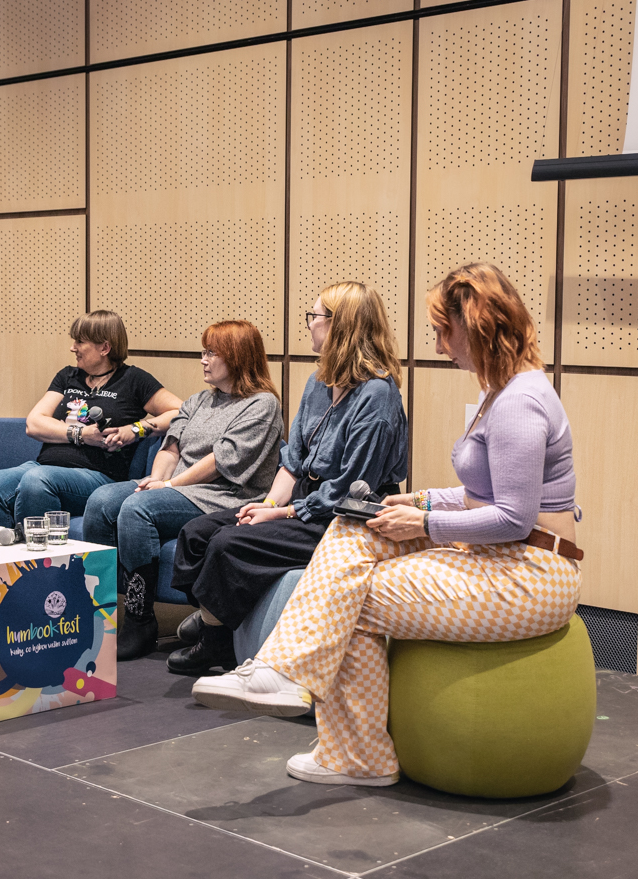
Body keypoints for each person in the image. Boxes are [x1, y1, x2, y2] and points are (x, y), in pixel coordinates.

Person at [192, 263, 583, 787]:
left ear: (477, 326)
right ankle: (296, 687)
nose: (439, 345)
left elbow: (513, 519)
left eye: (444, 330)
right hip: (501, 557)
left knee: (347, 595)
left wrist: (424, 521)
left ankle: (338, 732)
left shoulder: (519, 401)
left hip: (530, 574)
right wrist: (418, 501)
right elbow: (481, 496)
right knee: (354, 531)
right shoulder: (505, 391)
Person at [168, 282, 409, 676]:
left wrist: (282, 515)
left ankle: (216, 641)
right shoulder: (318, 383)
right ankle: (216, 614)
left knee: (228, 543)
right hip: (303, 501)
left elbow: (350, 488)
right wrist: (266, 506)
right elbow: (293, 459)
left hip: (343, 516)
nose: (309, 324)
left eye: (315, 316)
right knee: (196, 533)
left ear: (340, 325)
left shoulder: (377, 395)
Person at [83, 321, 285, 662]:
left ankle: (140, 620)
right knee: (101, 502)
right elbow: (171, 447)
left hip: (222, 495)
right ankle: (102, 613)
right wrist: (154, 481)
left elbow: (222, 462)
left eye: (211, 353)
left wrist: (167, 486)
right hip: (176, 487)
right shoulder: (198, 400)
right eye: (203, 352)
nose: (203, 360)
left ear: (237, 357)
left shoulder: (261, 404)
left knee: (137, 509)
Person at [0, 310, 183, 529]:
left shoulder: (133, 380)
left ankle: (35, 549)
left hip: (98, 475)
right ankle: (9, 548)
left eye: (80, 341)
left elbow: (180, 411)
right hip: (44, 466)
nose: (73, 348)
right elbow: (34, 423)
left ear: (104, 348)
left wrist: (136, 429)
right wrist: (82, 434)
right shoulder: (68, 376)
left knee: (37, 480)